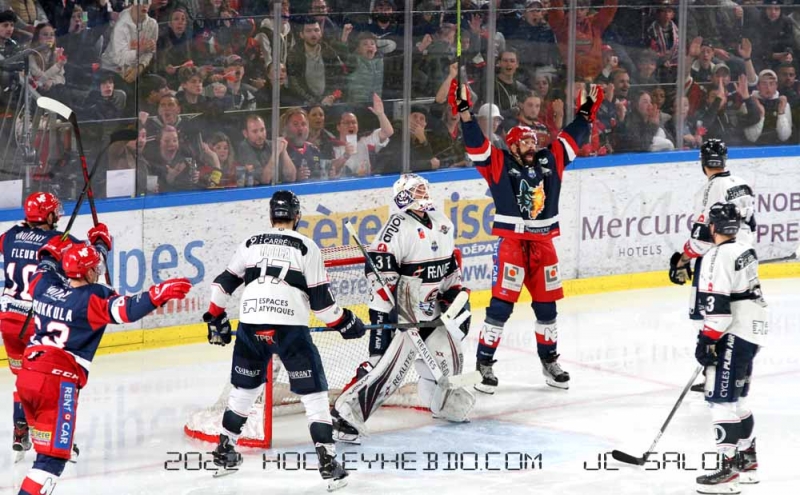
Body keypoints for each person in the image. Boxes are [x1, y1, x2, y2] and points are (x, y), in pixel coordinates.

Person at [201, 190, 365, 492]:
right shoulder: (307, 246)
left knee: (244, 389)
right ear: (297, 216)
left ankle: (225, 450)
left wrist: (215, 318)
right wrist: (347, 322)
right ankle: (328, 463)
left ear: (270, 216)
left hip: (251, 324)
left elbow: (221, 285)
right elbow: (323, 308)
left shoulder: (251, 242)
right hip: (289, 328)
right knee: (313, 395)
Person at [452, 80, 602, 393]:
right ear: (512, 146)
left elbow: (570, 140)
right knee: (500, 307)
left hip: (543, 245)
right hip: (512, 245)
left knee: (547, 308)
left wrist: (585, 114)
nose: (531, 146)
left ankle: (550, 362)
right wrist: (465, 114)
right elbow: (477, 146)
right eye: (524, 142)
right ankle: (484, 364)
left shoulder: (550, 159)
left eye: (533, 141)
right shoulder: (499, 163)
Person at [16, 241, 191, 495]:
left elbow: (45, 263)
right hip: (56, 382)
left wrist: (89, 246)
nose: (97, 271)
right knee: (50, 460)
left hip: (28, 374)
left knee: (46, 448)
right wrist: (157, 294)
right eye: (94, 268)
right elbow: (127, 310)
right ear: (87, 272)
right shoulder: (92, 298)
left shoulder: (43, 285)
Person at [330, 174, 474, 444]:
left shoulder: (442, 222)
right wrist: (395, 309)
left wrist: (455, 298)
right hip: (395, 309)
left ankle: (441, 403)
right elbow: (379, 270)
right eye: (417, 189)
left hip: (430, 309)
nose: (423, 192)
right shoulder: (396, 226)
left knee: (449, 354)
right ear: (403, 195)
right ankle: (344, 414)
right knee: (385, 366)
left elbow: (450, 269)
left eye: (424, 188)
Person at [0, 193, 109, 459]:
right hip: (37, 320)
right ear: (48, 215)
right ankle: (53, 436)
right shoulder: (61, 241)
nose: (58, 215)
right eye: (54, 211)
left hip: (8, 320)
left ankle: (20, 431)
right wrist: (101, 241)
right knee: (49, 380)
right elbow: (92, 263)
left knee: (23, 377)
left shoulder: (10, 235)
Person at [668, 139, 756, 392]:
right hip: (745, 259)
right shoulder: (743, 184)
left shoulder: (708, 190)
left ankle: (715, 377)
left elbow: (702, 238)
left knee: (710, 316)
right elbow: (751, 226)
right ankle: (736, 377)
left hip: (718, 261)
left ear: (703, 162)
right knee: (737, 317)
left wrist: (682, 260)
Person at [693, 202, 767, 494]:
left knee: (721, 401)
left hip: (733, 331)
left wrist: (706, 339)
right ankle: (747, 464)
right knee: (737, 400)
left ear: (713, 227)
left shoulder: (715, 256)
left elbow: (719, 309)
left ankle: (728, 473)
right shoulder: (745, 248)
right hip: (752, 330)